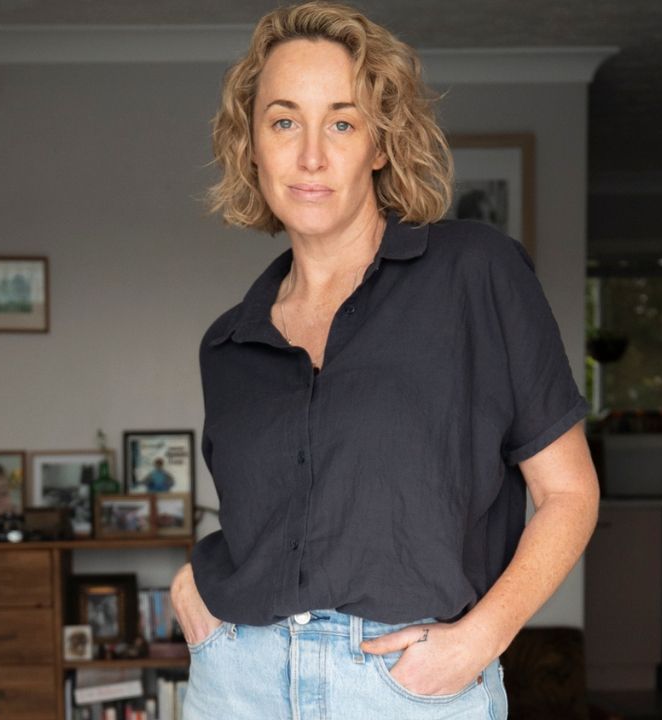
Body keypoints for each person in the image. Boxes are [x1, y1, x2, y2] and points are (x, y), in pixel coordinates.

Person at [170, 3, 600, 717]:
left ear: (380, 143)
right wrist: (192, 582)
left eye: (342, 123)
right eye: (284, 122)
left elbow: (570, 495)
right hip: (239, 682)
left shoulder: (476, 273)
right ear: (252, 145)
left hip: (405, 687)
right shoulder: (229, 343)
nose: (311, 156)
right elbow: (270, 526)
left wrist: (480, 641)